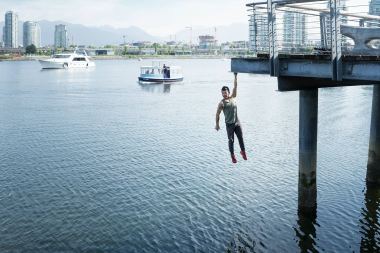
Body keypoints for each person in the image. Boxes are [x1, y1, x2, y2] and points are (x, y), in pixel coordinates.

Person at [215, 73, 247, 163]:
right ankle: (232, 155)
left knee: (240, 137)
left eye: (225, 93)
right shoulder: (221, 103)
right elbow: (217, 114)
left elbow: (235, 87)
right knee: (231, 140)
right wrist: (217, 124)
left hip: (237, 122)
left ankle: (243, 151)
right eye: (222, 93)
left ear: (228, 92)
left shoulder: (233, 97)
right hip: (229, 125)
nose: (224, 94)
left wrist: (235, 77)